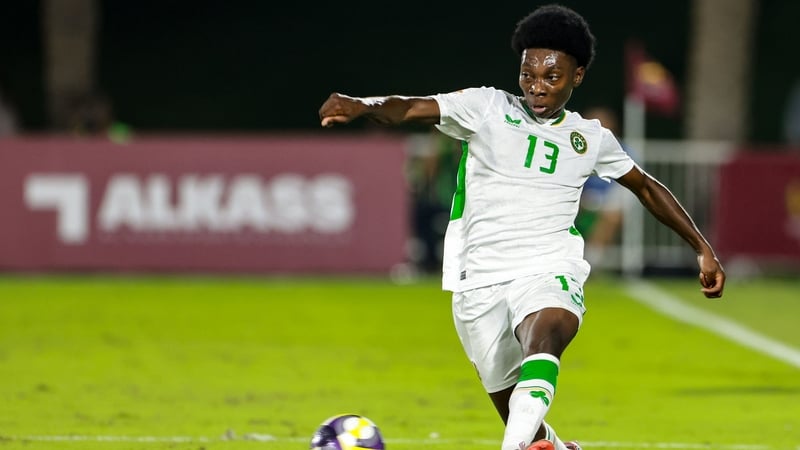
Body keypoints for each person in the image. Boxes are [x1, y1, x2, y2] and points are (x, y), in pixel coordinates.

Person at [318, 5, 726, 450]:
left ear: (577, 77)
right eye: (528, 74)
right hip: (478, 280)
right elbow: (412, 107)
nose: (537, 87)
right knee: (522, 418)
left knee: (547, 332)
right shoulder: (486, 107)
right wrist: (364, 105)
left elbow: (646, 187)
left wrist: (702, 247)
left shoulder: (590, 137)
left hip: (549, 266)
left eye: (551, 77)